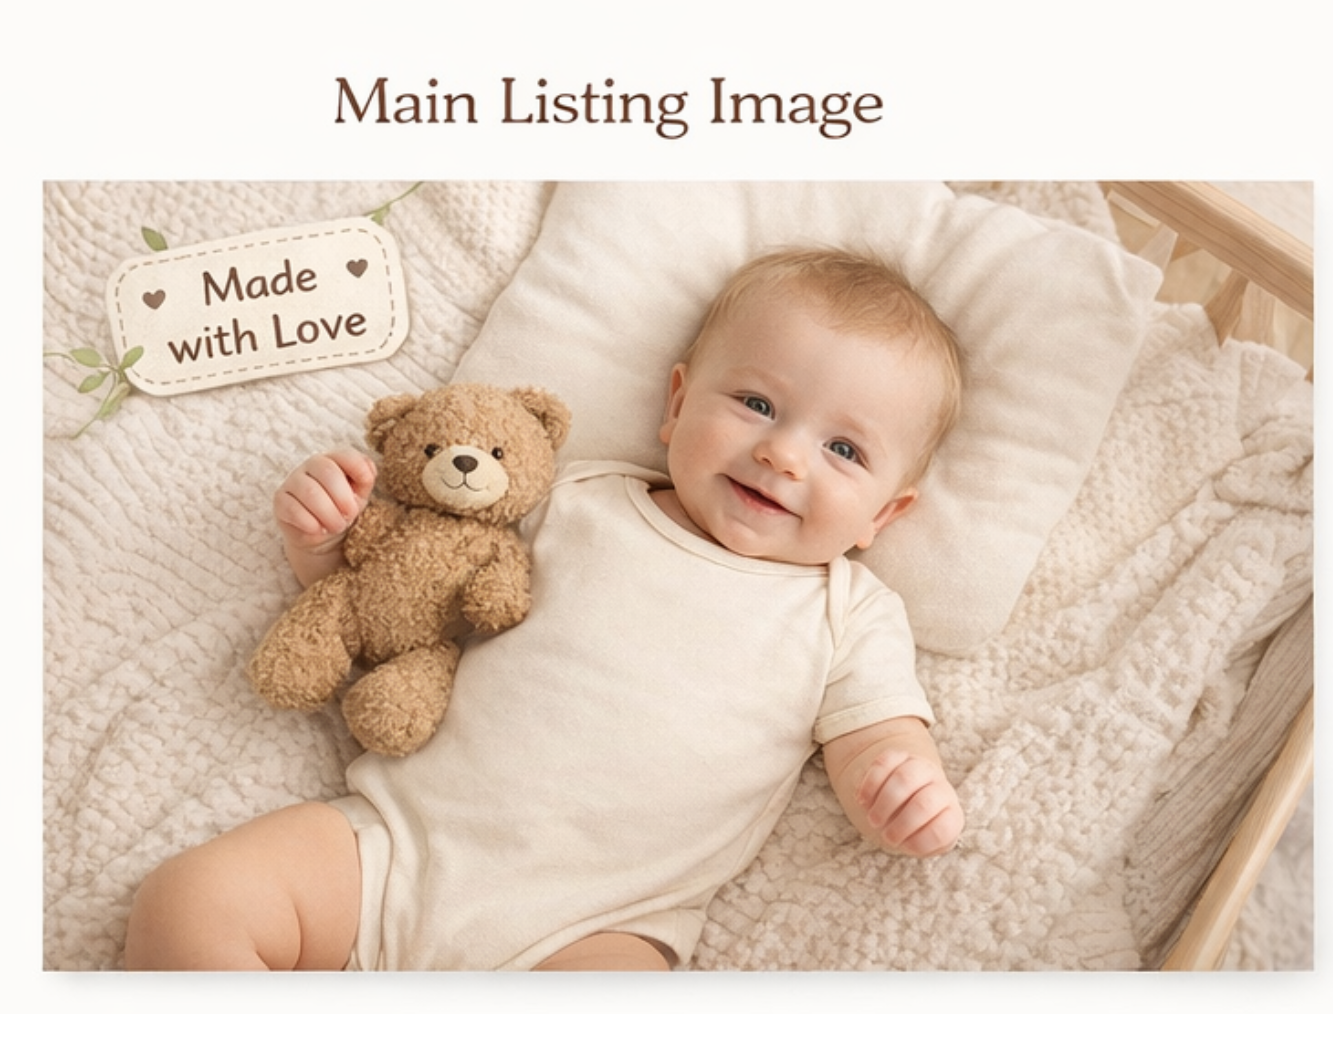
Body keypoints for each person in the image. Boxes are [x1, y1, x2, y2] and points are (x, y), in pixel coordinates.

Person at [124, 248, 966, 971]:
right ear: (677, 404)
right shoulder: (576, 498)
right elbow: (407, 584)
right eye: (756, 403)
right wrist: (324, 539)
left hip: (598, 928)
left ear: (884, 516)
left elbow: (879, 735)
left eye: (843, 449)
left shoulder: (847, 612)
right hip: (397, 847)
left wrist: (897, 785)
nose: (782, 452)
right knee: (189, 901)